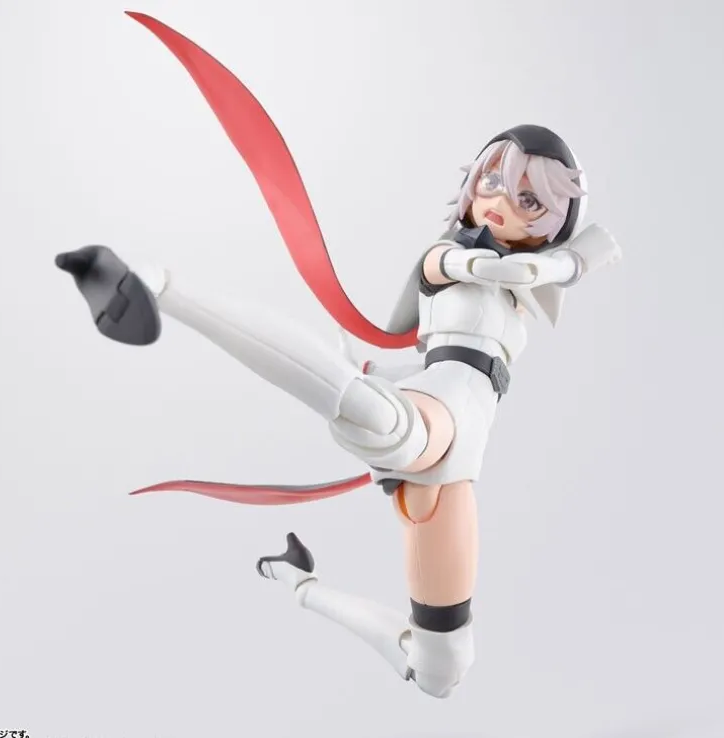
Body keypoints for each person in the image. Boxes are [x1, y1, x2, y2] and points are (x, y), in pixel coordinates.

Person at [56, 12, 622, 699]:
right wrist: (570, 261)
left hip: (459, 464)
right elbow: (502, 273)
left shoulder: (523, 287)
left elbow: (460, 310)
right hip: (440, 412)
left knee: (440, 671)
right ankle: (156, 284)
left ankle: (297, 581)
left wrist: (563, 264)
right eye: (494, 182)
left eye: (529, 199)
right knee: (383, 423)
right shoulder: (451, 257)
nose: (502, 202)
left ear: (554, 219)